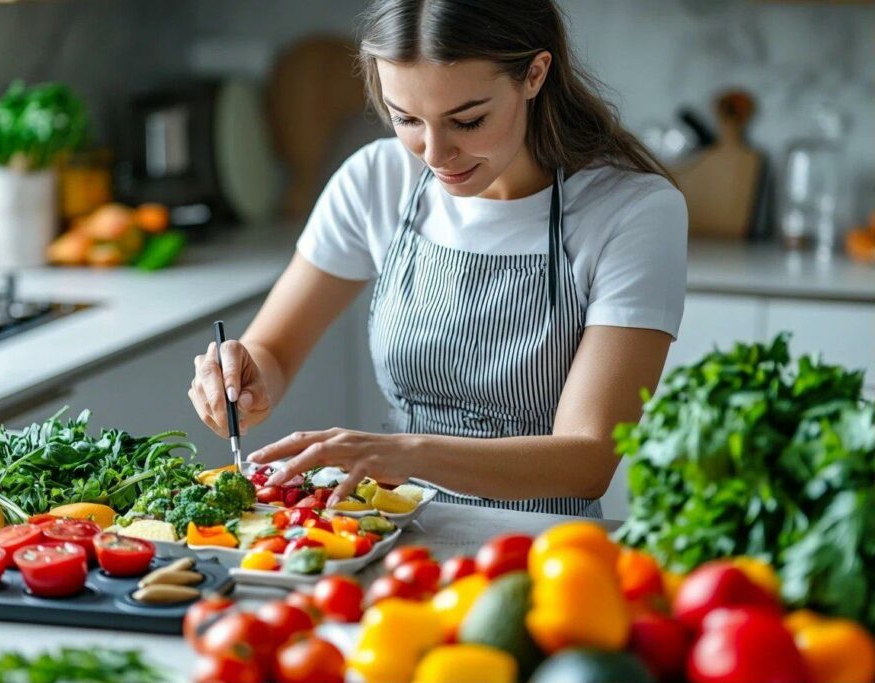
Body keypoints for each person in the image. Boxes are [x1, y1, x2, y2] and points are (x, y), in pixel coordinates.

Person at [189, 0, 687, 517]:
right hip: (388, 533)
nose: (433, 154)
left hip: (540, 552)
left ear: (535, 75)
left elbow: (588, 461)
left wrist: (406, 453)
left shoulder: (634, 211)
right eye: (406, 119)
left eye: (468, 121)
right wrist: (240, 382)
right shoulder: (376, 180)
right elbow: (273, 350)